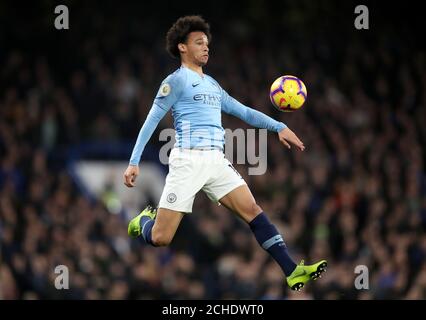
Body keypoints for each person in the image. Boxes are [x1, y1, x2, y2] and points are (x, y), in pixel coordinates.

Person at [123, 15, 327, 291]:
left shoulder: (212, 85)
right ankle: (143, 221)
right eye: (198, 42)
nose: (206, 47)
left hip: (216, 160)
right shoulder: (176, 81)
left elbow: (242, 111)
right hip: (188, 160)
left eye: (207, 43)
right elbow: (151, 119)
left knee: (253, 210)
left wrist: (279, 126)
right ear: (182, 47)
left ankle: (291, 270)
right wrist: (134, 162)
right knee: (161, 237)